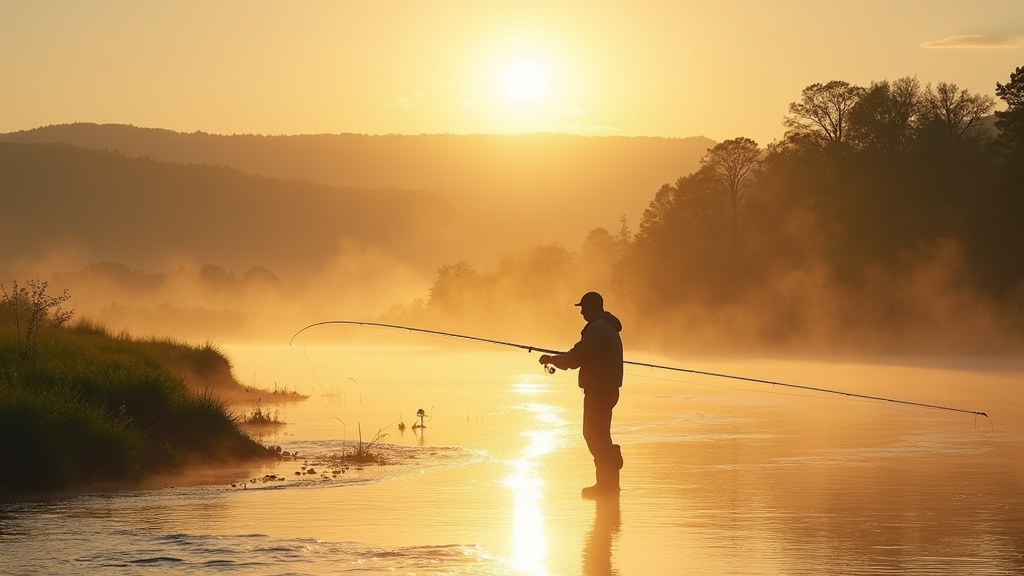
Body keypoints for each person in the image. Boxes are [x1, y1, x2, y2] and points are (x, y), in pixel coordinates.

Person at [539, 291, 624, 497]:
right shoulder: (606, 327)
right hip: (606, 389)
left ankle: (606, 484)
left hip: (599, 390)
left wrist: (552, 360)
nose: (582, 312)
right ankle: (609, 483)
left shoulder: (597, 328)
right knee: (600, 434)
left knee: (593, 434)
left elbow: (577, 356)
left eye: (583, 308)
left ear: (593, 307)